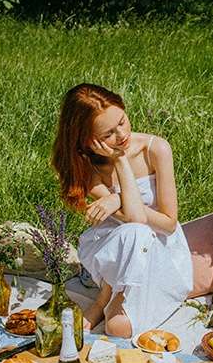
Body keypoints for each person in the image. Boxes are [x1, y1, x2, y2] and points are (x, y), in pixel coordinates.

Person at [52, 83, 193, 338]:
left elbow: (169, 223)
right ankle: (105, 298)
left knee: (118, 327)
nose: (122, 134)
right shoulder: (86, 166)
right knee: (134, 233)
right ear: (88, 140)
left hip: (160, 249)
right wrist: (120, 162)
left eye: (122, 121)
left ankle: (106, 298)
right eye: (108, 134)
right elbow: (134, 220)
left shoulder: (155, 149)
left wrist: (117, 195)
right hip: (116, 249)